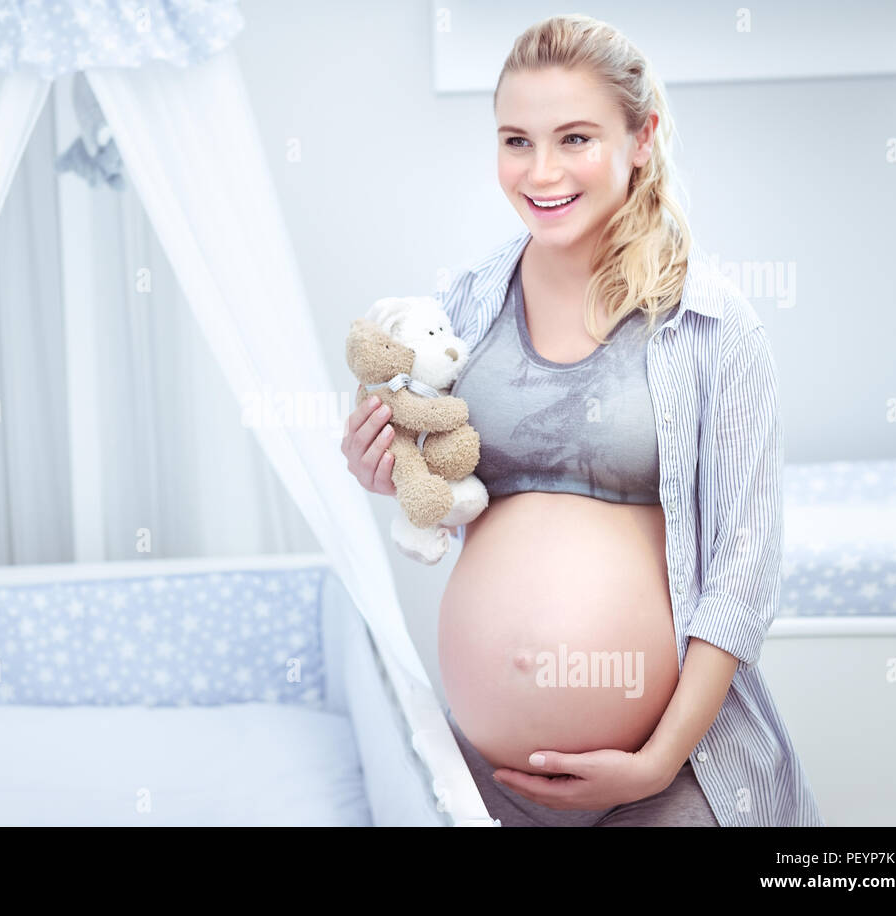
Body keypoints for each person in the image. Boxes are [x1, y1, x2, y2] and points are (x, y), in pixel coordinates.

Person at [341, 14, 822, 826]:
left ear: (642, 138)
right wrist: (377, 469)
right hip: (482, 777)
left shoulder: (713, 326)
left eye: (575, 138)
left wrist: (653, 763)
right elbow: (432, 470)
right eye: (516, 141)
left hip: (665, 776)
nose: (541, 171)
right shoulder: (463, 307)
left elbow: (744, 574)